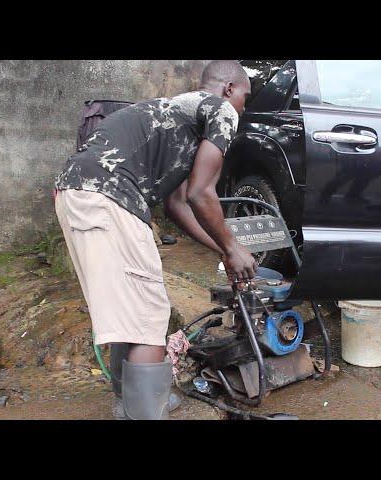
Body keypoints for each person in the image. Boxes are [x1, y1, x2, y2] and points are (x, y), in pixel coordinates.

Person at [54, 60, 257, 419]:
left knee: (128, 311)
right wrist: (234, 247)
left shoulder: (178, 115)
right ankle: (147, 412)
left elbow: (179, 205)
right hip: (111, 196)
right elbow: (202, 193)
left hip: (75, 192)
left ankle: (130, 403)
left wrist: (223, 251)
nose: (244, 106)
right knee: (149, 316)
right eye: (245, 96)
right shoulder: (220, 109)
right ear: (229, 89)